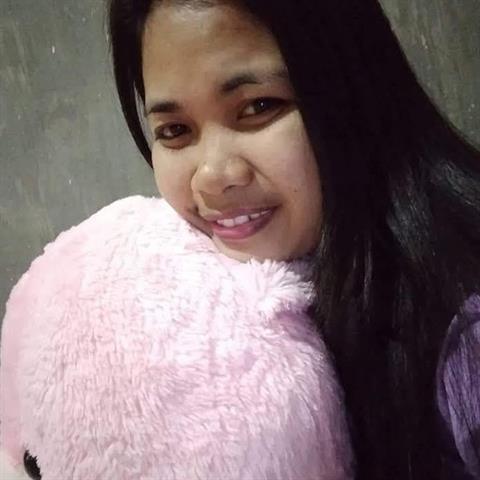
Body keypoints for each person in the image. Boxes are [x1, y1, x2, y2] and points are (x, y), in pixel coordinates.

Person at [108, 0, 480, 478]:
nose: (213, 175)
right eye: (175, 130)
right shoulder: (200, 291)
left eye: (259, 107)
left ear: (355, 88)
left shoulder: (464, 331)